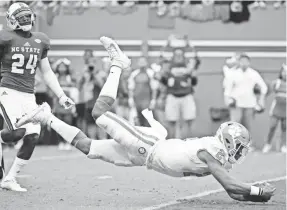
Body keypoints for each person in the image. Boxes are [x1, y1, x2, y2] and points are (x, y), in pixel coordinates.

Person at [17, 37, 276, 203]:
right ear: (228, 143)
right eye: (239, 145)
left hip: (146, 158)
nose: (240, 150)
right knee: (98, 115)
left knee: (90, 149)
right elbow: (231, 185)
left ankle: (46, 116)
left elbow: (232, 191)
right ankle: (118, 64)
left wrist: (257, 197)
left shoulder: (218, 157)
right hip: (150, 145)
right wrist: (255, 190)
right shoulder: (212, 152)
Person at [0, 2, 74, 192]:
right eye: (21, 16)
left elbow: (47, 72)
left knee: (33, 136)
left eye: (27, 15)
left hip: (28, 95)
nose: (25, 19)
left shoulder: (40, 40)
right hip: (7, 90)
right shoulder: (5, 38)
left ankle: (10, 178)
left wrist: (61, 95)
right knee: (16, 132)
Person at [262, 64, 286, 153]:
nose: (285, 74)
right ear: (281, 73)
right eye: (284, 72)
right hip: (276, 109)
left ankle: (284, 145)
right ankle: (267, 144)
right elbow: (266, 91)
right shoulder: (276, 83)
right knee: (272, 126)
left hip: (286, 110)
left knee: (285, 127)